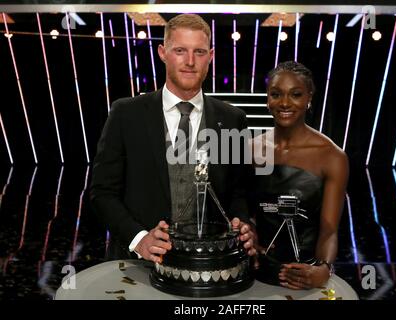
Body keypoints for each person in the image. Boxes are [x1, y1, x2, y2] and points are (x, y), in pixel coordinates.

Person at [90, 14, 255, 263]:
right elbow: (102, 192)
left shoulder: (233, 119)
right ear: (162, 52)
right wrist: (139, 239)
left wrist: (241, 223)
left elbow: (239, 192)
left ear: (210, 56)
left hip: (208, 264)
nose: (190, 61)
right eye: (180, 50)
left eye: (199, 52)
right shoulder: (126, 113)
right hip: (138, 265)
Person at [249, 61, 349, 290]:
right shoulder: (250, 150)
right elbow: (247, 212)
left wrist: (323, 269)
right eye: (276, 94)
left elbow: (329, 230)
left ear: (309, 98)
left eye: (295, 94)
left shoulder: (332, 156)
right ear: (267, 98)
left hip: (304, 277)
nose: (284, 103)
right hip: (253, 273)